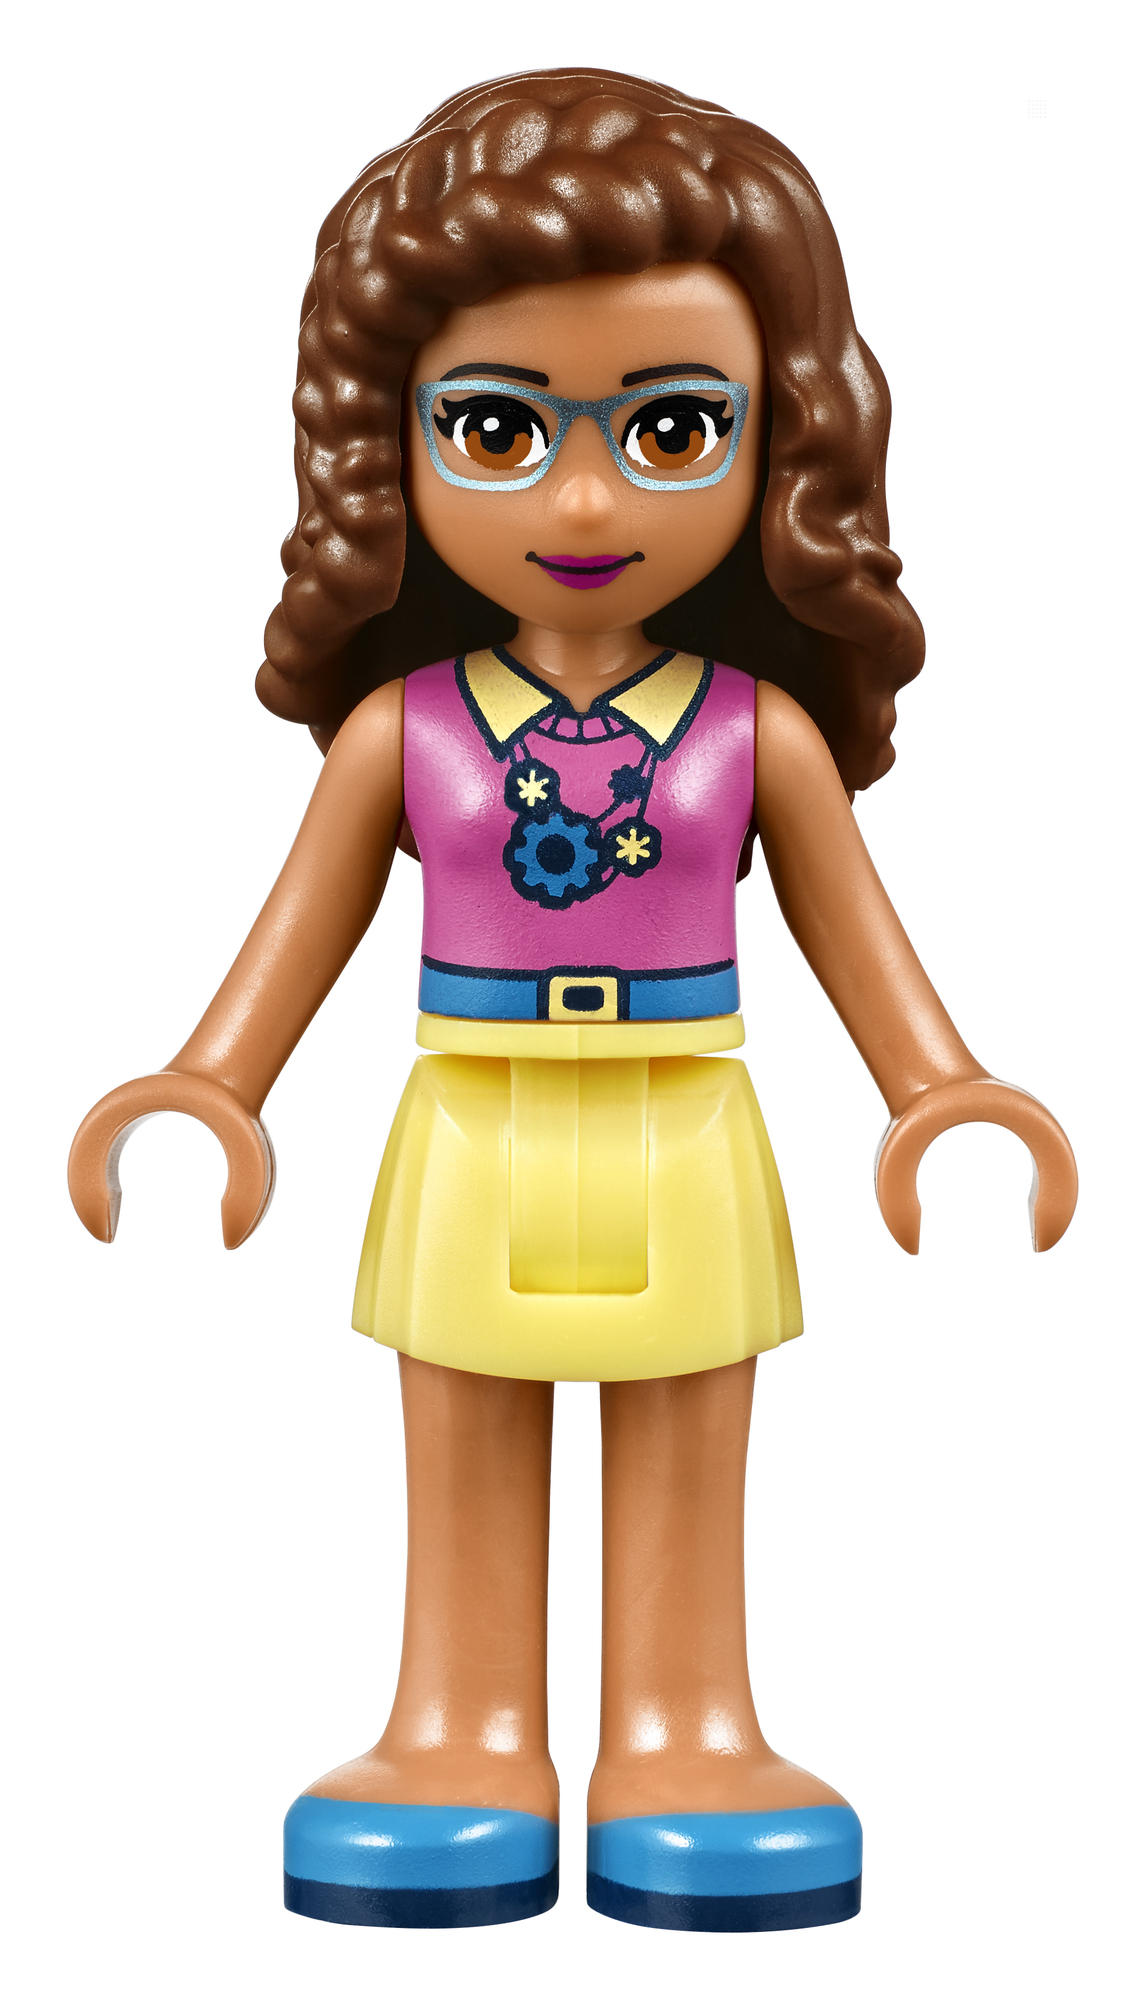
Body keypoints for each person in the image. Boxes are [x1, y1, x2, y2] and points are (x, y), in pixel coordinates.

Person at [69, 68, 1077, 1933]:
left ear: (781, 444)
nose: (589, 498)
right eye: (499, 428)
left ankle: (686, 1732)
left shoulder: (756, 736)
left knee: (690, 1424)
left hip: (688, 1118)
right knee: (461, 1425)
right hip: (472, 1119)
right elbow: (297, 931)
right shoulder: (405, 732)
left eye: (675, 426)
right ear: (388, 446)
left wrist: (939, 1092)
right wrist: (211, 1085)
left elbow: (857, 935)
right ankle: (459, 1730)